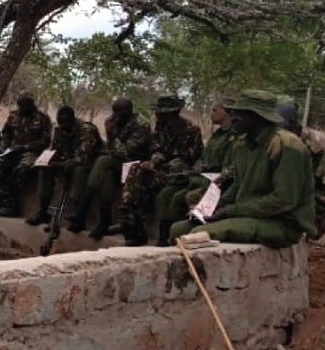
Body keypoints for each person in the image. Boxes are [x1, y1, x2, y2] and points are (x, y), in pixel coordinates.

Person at [169, 90, 315, 247]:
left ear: (257, 117)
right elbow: (237, 185)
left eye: (238, 114)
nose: (232, 118)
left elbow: (284, 200)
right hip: (247, 215)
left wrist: (231, 211)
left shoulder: (287, 145)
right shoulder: (241, 144)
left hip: (280, 223)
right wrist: (212, 209)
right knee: (177, 229)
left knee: (196, 235)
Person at [118, 95, 203, 246]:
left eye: (160, 112)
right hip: (162, 167)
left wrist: (165, 164)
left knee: (149, 185)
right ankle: (131, 221)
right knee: (136, 170)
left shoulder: (191, 130)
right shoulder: (160, 127)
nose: (157, 115)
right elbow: (157, 149)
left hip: (179, 172)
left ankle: (137, 223)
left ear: (171, 113)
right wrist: (152, 162)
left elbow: (189, 157)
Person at [66, 97, 152, 239]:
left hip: (135, 166)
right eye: (114, 112)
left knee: (103, 162)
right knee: (106, 177)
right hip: (116, 164)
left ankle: (82, 210)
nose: (115, 116)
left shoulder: (141, 125)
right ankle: (105, 220)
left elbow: (125, 152)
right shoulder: (114, 122)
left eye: (119, 113)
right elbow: (111, 149)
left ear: (129, 112)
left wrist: (112, 133)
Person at [158, 97, 237, 243]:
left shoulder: (233, 136)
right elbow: (203, 155)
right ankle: (163, 237)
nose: (211, 114)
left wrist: (203, 167)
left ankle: (174, 239)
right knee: (166, 193)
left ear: (227, 112)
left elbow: (226, 166)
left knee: (179, 197)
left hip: (212, 180)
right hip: (199, 176)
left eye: (215, 110)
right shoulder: (218, 134)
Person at [277, 97, 325, 238]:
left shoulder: (321, 146)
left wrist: (295, 206)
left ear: (290, 123)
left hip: (312, 209)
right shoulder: (275, 140)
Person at [25, 106, 102, 226]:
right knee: (45, 169)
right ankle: (43, 210)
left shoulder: (86, 130)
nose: (62, 126)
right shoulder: (59, 129)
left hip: (88, 163)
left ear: (72, 119)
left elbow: (85, 155)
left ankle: (79, 214)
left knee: (79, 170)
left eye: (65, 122)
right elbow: (55, 149)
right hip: (67, 161)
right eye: (60, 122)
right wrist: (47, 160)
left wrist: (69, 162)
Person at [0, 92, 52, 217]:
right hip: (13, 150)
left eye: (25, 105)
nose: (22, 108)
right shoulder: (13, 116)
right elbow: (6, 134)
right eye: (21, 105)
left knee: (22, 169)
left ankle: (11, 204)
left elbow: (45, 142)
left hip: (31, 152)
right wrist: (4, 146)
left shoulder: (42, 118)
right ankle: (6, 202)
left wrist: (25, 147)